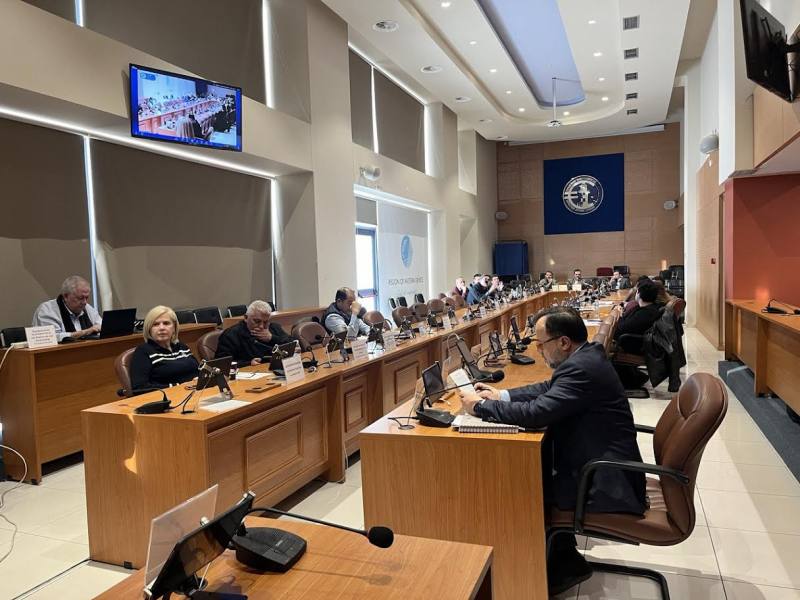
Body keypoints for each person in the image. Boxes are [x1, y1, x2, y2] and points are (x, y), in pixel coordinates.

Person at [458, 306, 646, 595]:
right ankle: (561, 558)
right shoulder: (586, 357)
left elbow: (537, 413)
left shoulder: (581, 368)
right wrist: (502, 395)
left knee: (521, 489)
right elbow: (549, 388)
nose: (538, 350)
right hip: (600, 463)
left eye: (541, 343)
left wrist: (481, 407)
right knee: (534, 470)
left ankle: (541, 573)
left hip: (606, 480)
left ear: (563, 342)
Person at [130, 306, 199, 393]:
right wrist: (179, 386)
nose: (161, 328)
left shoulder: (182, 347)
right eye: (155, 324)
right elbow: (140, 388)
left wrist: (200, 379)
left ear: (174, 327)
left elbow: (199, 370)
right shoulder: (143, 351)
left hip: (196, 393)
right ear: (149, 329)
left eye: (166, 323)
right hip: (169, 397)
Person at [216, 300, 296, 366]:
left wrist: (271, 338)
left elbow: (293, 344)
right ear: (246, 318)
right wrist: (248, 363)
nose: (261, 326)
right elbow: (221, 364)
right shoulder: (231, 335)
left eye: (265, 322)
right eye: (257, 321)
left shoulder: (273, 328)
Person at [32, 275, 102, 342]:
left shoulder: (87, 308)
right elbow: (52, 338)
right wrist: (86, 332)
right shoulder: (47, 310)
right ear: (65, 296)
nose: (84, 302)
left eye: (86, 298)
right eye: (80, 298)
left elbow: (101, 327)